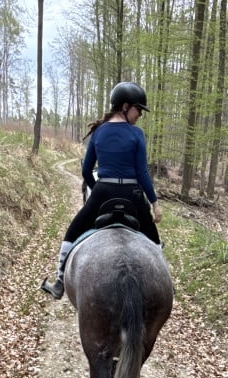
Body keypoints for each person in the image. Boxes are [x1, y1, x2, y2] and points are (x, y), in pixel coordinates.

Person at [41, 81, 162, 299]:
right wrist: (154, 203)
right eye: (138, 109)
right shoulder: (137, 134)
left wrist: (98, 190)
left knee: (72, 232)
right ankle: (166, 284)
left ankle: (59, 281)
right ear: (125, 106)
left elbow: (87, 171)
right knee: (153, 239)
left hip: (102, 192)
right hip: (133, 196)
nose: (140, 115)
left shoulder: (98, 132)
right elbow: (142, 173)